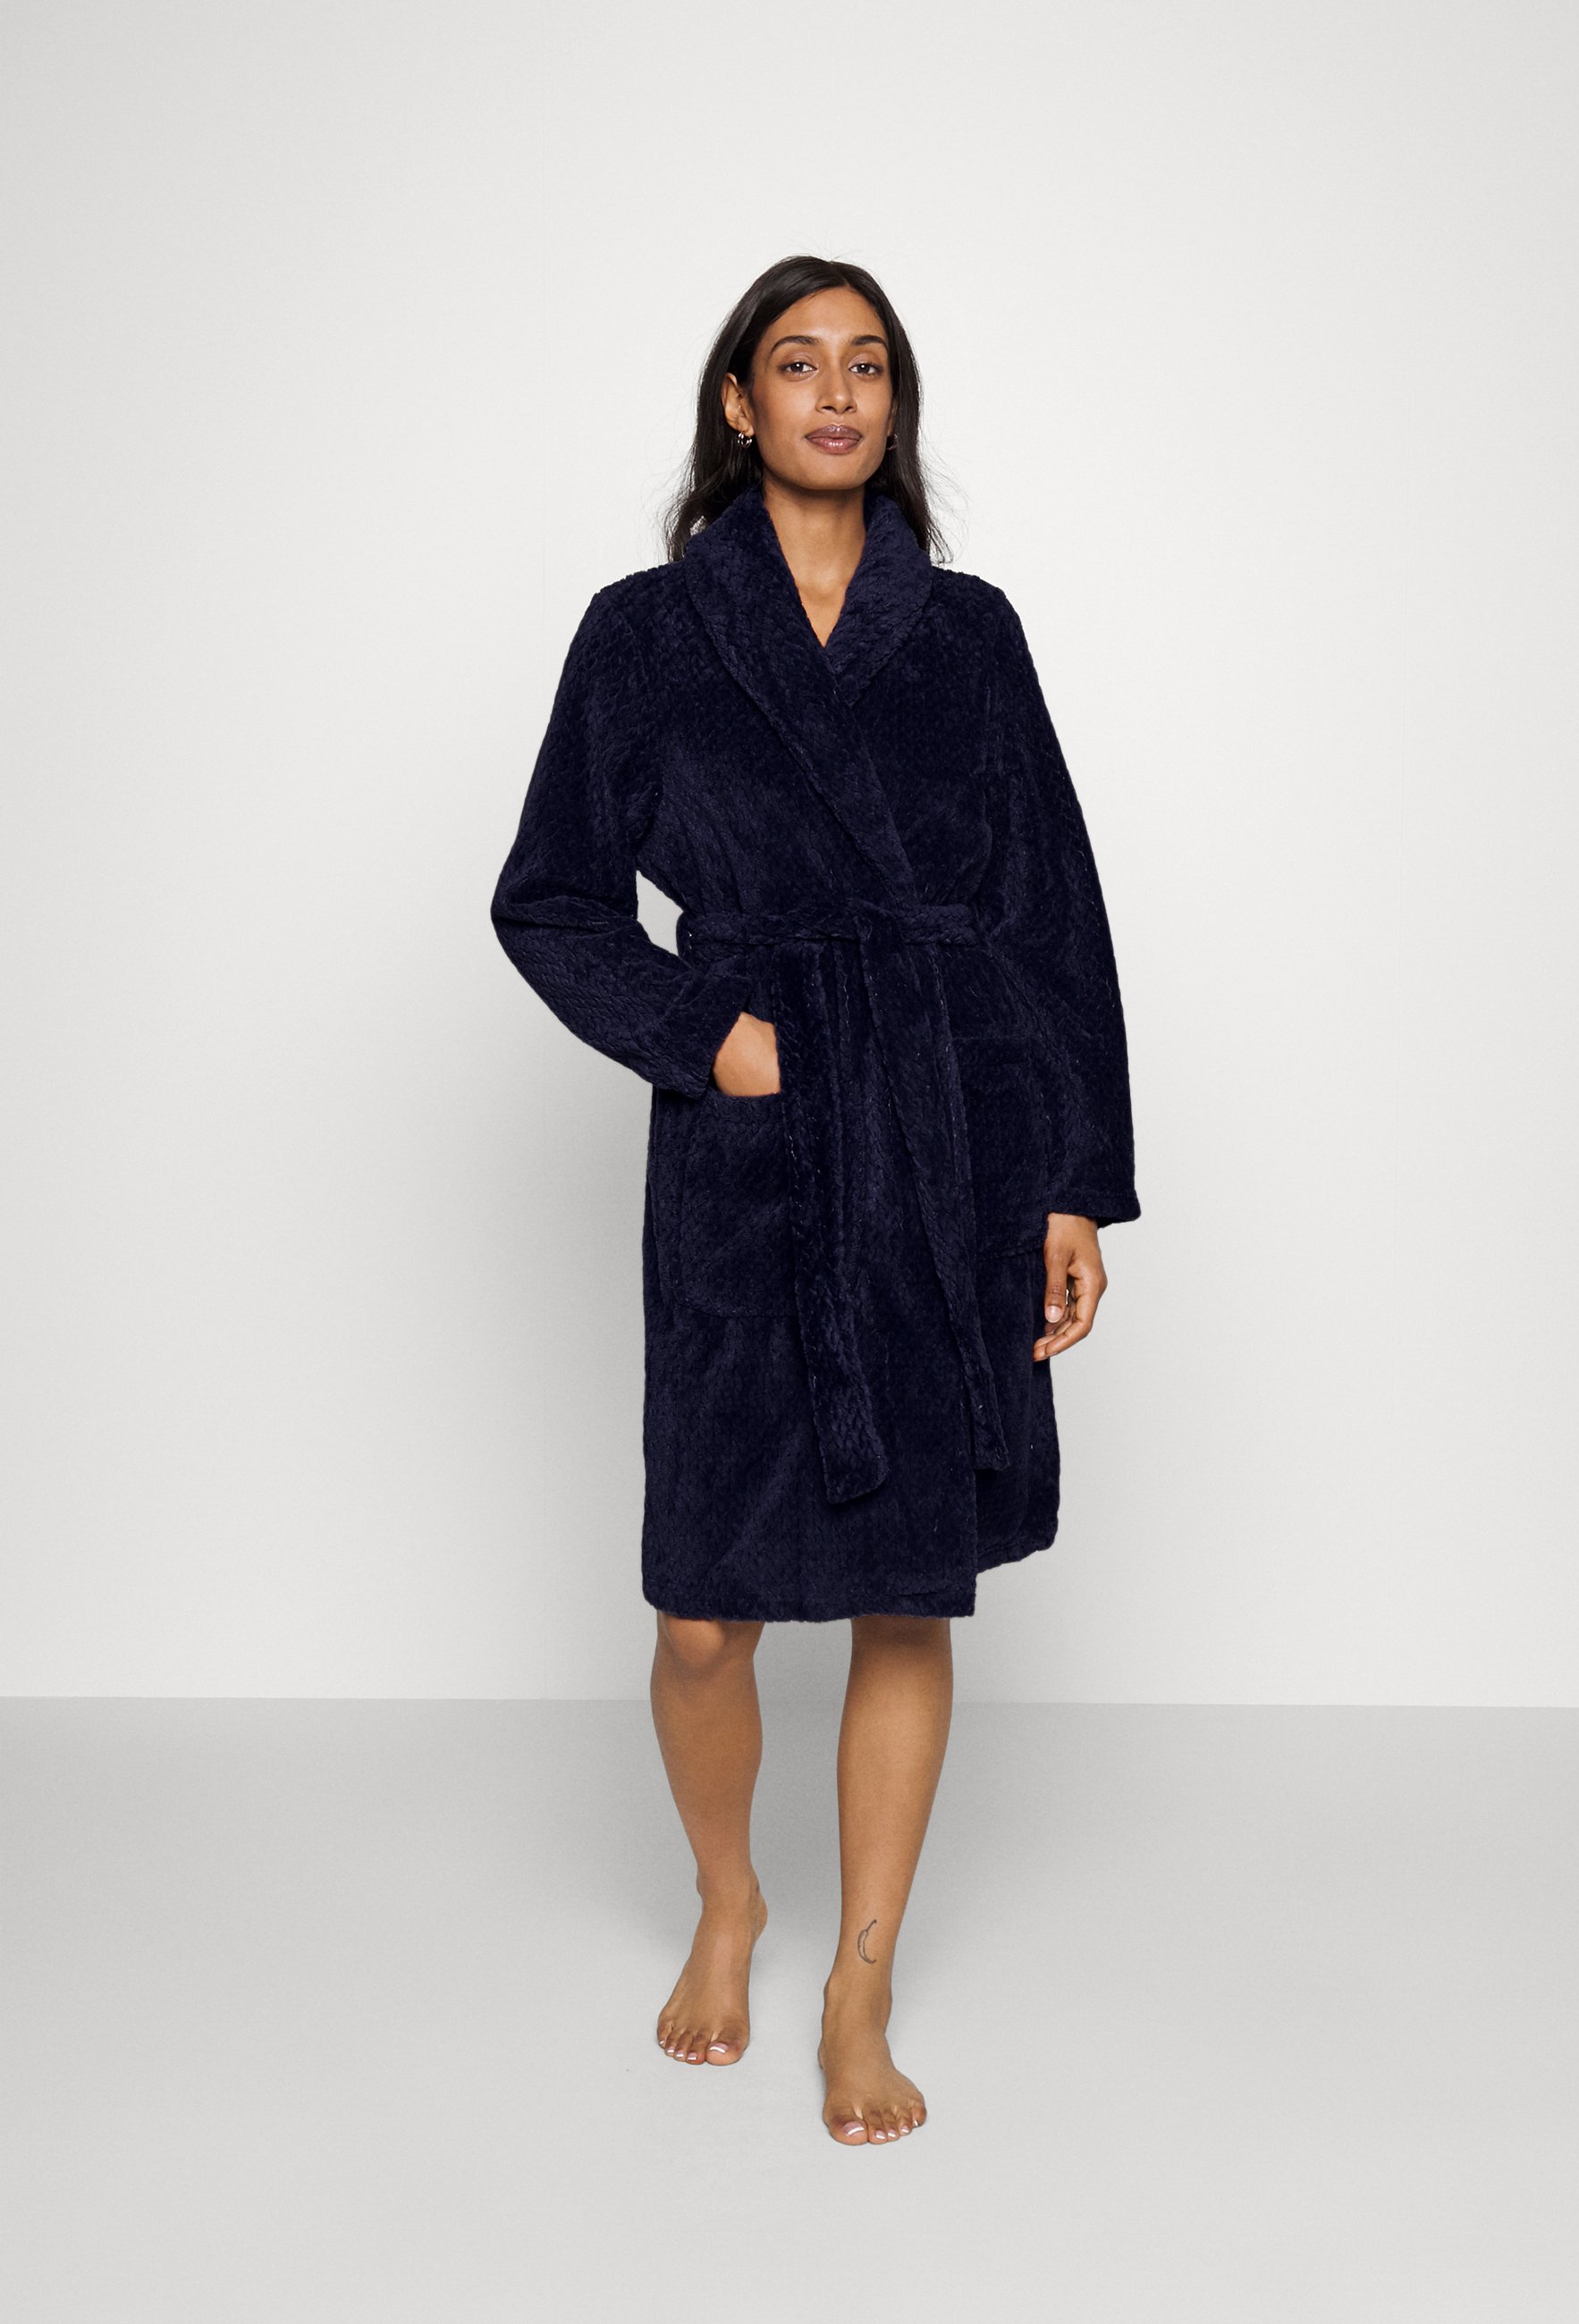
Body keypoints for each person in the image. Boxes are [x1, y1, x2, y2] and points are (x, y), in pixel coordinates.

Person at [489, 254, 1140, 2146]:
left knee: (900, 1593)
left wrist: (1070, 1181)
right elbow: (549, 896)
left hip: (941, 1133)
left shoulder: (971, 632)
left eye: (867, 364)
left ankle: (860, 1976)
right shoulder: (644, 632)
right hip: (750, 1153)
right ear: (739, 402)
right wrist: (708, 1034)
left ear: (892, 403)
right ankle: (728, 1900)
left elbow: (1048, 910)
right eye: (798, 363)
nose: (837, 393)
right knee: (705, 1610)